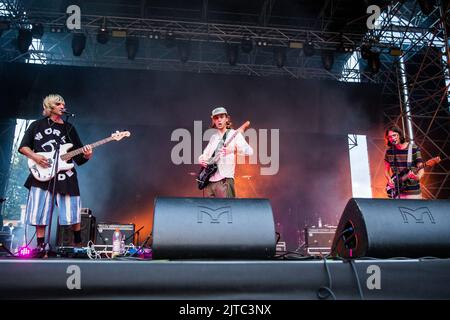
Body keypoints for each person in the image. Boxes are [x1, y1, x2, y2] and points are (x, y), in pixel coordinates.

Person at [18, 94, 93, 250]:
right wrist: (35, 157)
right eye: (59, 103)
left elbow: (79, 159)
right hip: (41, 174)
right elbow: (23, 146)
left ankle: (77, 244)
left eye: (63, 104)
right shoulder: (36, 126)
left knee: (72, 211)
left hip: (65, 176)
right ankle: (40, 246)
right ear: (50, 106)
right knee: (40, 211)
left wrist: (87, 155)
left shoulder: (69, 128)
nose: (62, 106)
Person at [198, 107, 253, 198]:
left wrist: (233, 150)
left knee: (227, 210)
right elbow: (204, 155)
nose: (219, 120)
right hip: (209, 181)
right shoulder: (213, 138)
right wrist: (201, 159)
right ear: (213, 121)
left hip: (224, 181)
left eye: (221, 117)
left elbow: (250, 151)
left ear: (227, 118)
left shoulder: (234, 134)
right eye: (216, 118)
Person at [384, 125, 424, 199]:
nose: (392, 138)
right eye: (389, 137)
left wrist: (417, 177)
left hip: (413, 192)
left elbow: (421, 168)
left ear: (399, 135)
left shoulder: (413, 148)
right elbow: (386, 171)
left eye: (394, 135)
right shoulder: (389, 152)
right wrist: (390, 180)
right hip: (397, 192)